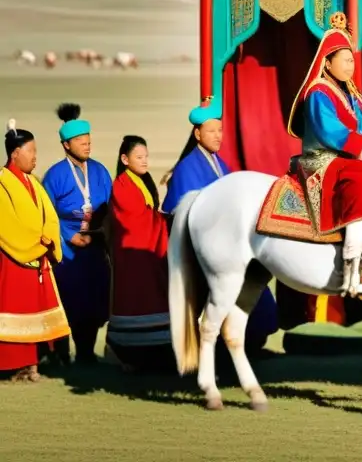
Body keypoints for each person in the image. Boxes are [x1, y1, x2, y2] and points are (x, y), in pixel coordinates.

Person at [286, 11, 362, 297]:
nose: (350, 65)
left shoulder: (350, 93)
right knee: (356, 183)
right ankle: (350, 272)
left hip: (348, 155)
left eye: (352, 60)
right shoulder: (318, 92)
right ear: (328, 62)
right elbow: (329, 131)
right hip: (322, 158)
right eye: (345, 60)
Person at [162, 105, 278, 353]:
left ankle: (247, 347)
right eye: (211, 130)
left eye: (220, 130)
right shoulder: (186, 168)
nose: (218, 136)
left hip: (232, 249)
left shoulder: (219, 163)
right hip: (206, 253)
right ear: (197, 134)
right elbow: (181, 216)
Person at [41, 103, 112, 365]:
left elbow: (110, 207)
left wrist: (101, 232)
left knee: (94, 300)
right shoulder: (55, 175)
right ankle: (61, 354)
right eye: (80, 142)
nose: (87, 146)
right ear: (66, 145)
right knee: (68, 300)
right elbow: (46, 213)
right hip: (67, 249)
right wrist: (68, 236)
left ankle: (86, 353)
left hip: (95, 246)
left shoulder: (100, 170)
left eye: (89, 141)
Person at [0, 120, 70, 381]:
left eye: (36, 151)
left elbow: (50, 216)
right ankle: (14, 366)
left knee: (36, 312)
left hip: (38, 257)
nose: (35, 157)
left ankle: (33, 364)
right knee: (15, 314)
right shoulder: (2, 183)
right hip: (14, 259)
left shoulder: (33, 183)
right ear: (15, 153)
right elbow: (5, 225)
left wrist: (50, 238)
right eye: (30, 151)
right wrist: (36, 242)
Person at [106, 135, 174, 373]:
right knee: (139, 299)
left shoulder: (141, 181)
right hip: (133, 257)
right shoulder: (122, 185)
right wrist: (164, 217)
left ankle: (155, 354)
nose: (145, 162)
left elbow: (149, 214)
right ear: (125, 159)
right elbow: (136, 221)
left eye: (146, 157)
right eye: (139, 157)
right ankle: (132, 353)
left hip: (147, 256)